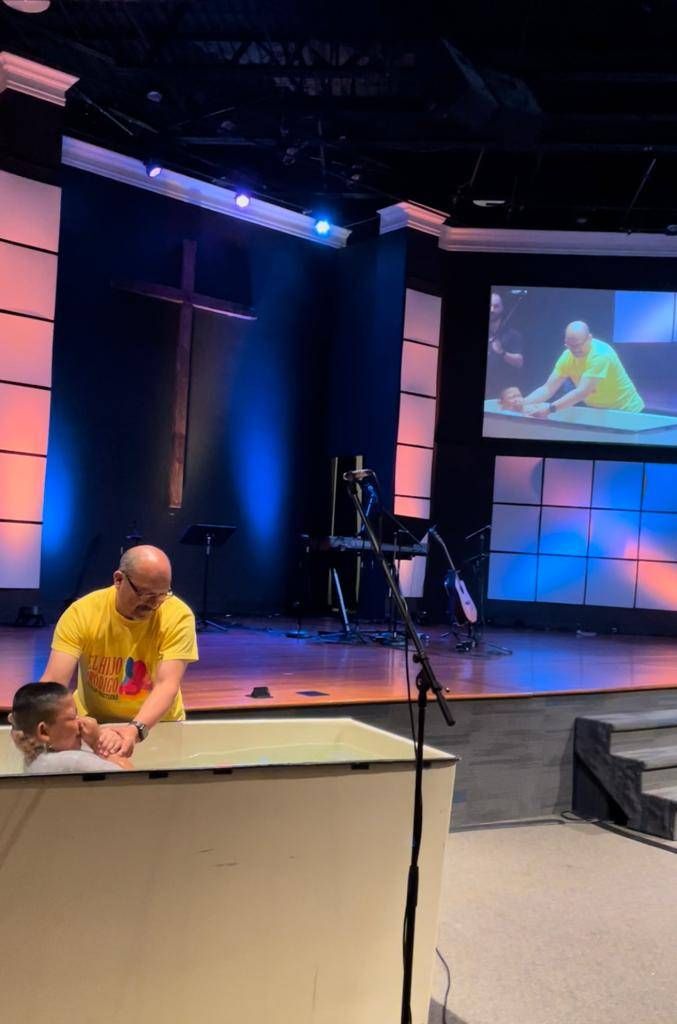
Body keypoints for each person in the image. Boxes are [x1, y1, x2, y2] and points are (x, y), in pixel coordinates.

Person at [39, 545, 198, 758]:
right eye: (145, 594)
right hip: (94, 722)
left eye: (161, 595)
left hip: (157, 724)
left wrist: (135, 729)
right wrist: (31, 712)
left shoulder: (178, 615)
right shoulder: (82, 613)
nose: (153, 604)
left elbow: (166, 685)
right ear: (118, 579)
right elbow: (55, 681)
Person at [523, 321, 644, 417]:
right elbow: (548, 388)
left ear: (589, 338)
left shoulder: (601, 354)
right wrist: (522, 403)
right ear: (566, 343)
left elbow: (581, 392)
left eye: (579, 345)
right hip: (599, 412)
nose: (575, 350)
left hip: (627, 411)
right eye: (571, 346)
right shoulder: (567, 356)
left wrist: (550, 409)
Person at [9, 682, 132, 774]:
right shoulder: (74, 761)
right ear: (44, 732)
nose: (81, 722)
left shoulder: (34, 756)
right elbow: (133, 781)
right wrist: (97, 742)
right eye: (73, 717)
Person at [486, 292, 524, 396]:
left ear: (502, 308)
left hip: (503, 392)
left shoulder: (513, 335)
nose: (492, 310)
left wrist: (502, 352)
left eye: (496, 306)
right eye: (490, 306)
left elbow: (519, 362)